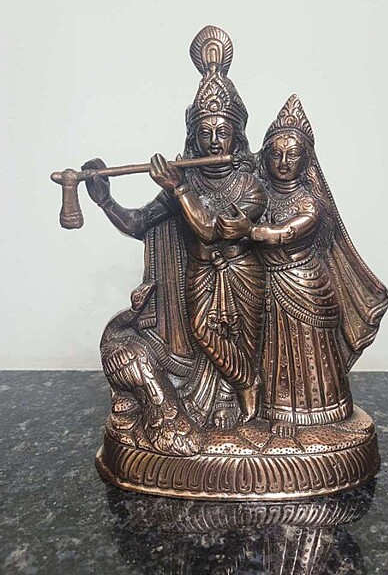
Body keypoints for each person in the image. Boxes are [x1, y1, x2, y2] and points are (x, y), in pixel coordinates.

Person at [83, 26, 267, 428]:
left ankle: (243, 391)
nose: (214, 140)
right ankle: (218, 395)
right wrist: (105, 200)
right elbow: (138, 224)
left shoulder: (250, 186)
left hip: (241, 275)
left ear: (236, 136)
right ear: (193, 138)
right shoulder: (186, 180)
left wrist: (179, 188)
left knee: (240, 339)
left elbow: (212, 230)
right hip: (199, 274)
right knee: (203, 333)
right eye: (205, 132)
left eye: (223, 132)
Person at [218, 94, 388, 436]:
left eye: (292, 155)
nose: (283, 162)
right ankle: (273, 408)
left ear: (305, 159)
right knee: (274, 349)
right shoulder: (259, 192)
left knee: (303, 349)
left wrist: (249, 231)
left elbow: (286, 232)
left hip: (303, 285)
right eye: (275, 154)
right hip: (266, 283)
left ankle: (314, 412)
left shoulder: (310, 203)